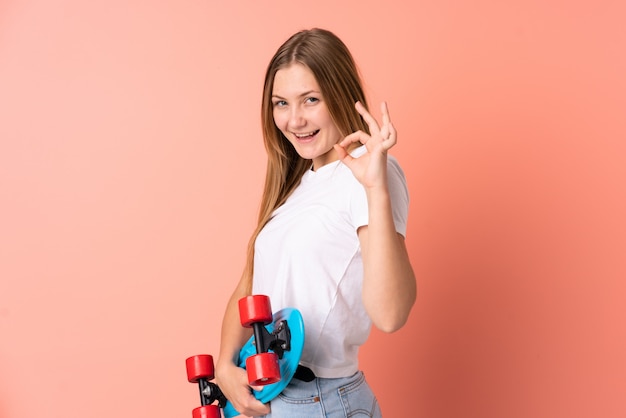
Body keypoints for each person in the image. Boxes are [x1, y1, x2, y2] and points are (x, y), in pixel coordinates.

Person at [215, 28, 416, 417]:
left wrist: (375, 189)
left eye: (311, 100)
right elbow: (250, 282)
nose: (294, 120)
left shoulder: (371, 172)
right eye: (281, 103)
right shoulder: (296, 185)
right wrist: (225, 367)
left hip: (319, 400)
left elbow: (390, 314)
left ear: (341, 95)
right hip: (271, 397)